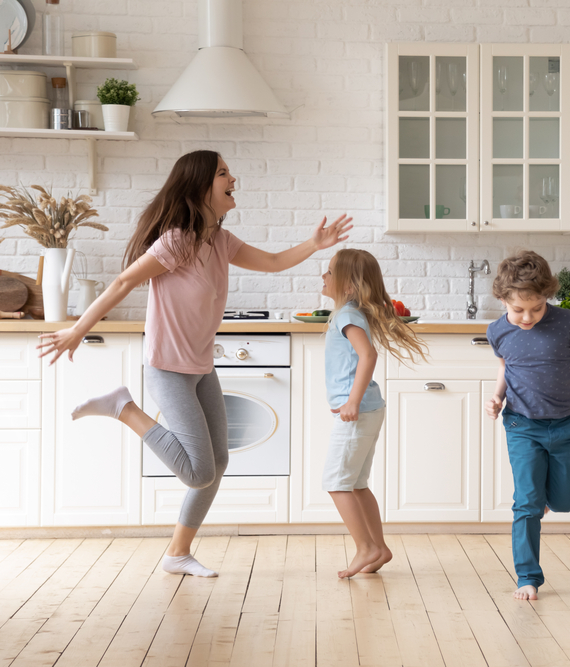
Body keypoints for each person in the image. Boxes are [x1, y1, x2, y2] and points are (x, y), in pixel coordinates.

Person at [36, 150, 352, 578]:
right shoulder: (178, 240)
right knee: (199, 471)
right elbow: (126, 280)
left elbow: (274, 263)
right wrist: (77, 329)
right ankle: (122, 408)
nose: (233, 178)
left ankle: (177, 553)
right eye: (224, 173)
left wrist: (316, 244)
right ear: (202, 186)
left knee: (217, 462)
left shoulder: (220, 241)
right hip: (167, 367)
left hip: (201, 368)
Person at [485, 250, 570, 601]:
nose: (527, 317)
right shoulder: (497, 331)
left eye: (537, 308)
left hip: (566, 426)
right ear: (502, 300)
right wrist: (497, 397)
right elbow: (505, 368)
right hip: (521, 425)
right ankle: (527, 577)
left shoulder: (567, 322)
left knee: (564, 500)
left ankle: (546, 499)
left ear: (548, 297)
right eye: (518, 310)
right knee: (526, 502)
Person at [319, 248, 427, 578]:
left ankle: (365, 547)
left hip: (358, 411)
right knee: (355, 484)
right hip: (368, 409)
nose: (324, 276)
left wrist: (351, 401)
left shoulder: (347, 316)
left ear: (349, 285)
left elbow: (368, 356)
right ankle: (379, 548)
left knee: (337, 483)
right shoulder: (349, 313)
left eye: (330, 272)